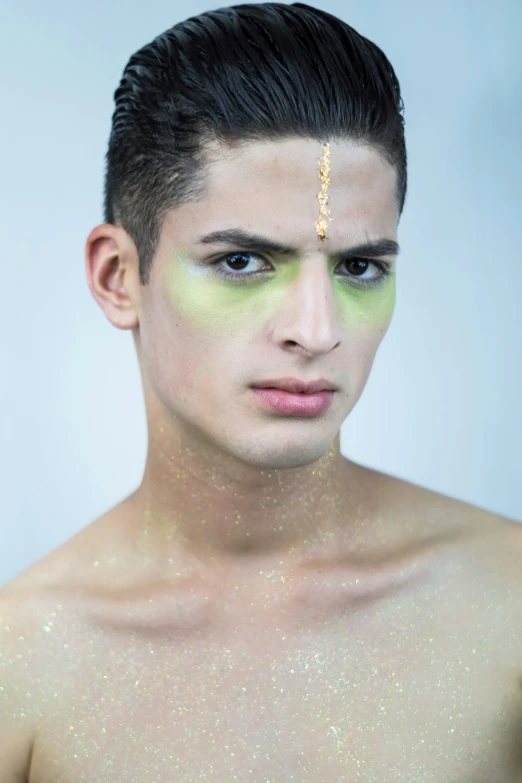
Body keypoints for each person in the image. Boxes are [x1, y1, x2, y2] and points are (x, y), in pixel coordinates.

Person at [2, 3, 521, 781]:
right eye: (243, 261)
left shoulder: (508, 611)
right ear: (119, 278)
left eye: (359, 267)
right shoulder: (23, 664)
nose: (316, 331)